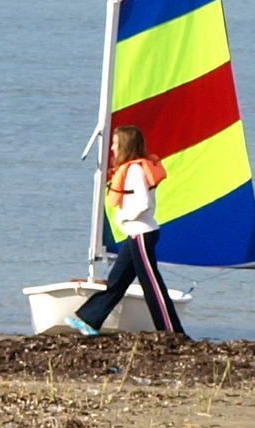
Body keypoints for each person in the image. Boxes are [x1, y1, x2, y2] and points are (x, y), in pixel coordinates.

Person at [67, 125, 184, 336]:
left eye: (115, 143)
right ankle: (90, 321)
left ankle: (172, 332)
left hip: (142, 234)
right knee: (116, 282)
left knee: (152, 286)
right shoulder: (131, 169)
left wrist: (125, 216)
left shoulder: (134, 170)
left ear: (125, 146)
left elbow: (144, 203)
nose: (112, 148)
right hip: (135, 236)